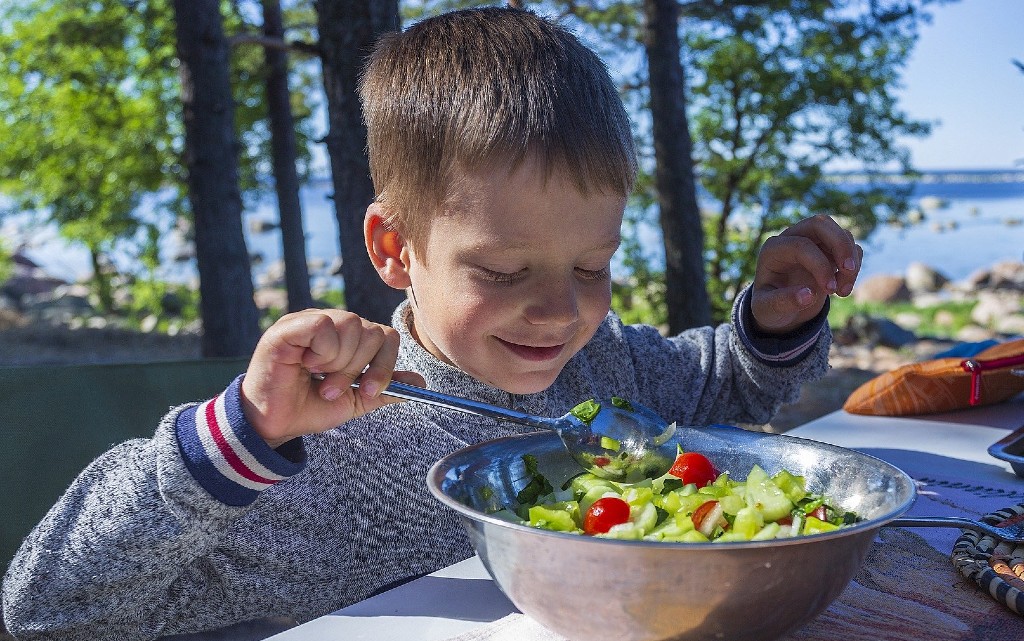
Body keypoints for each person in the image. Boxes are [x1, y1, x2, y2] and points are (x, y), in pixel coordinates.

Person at [2, 6, 861, 640]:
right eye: (501, 270)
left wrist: (772, 322)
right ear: (394, 248)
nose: (563, 311)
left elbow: (730, 387)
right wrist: (241, 437)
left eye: (592, 266)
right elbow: (48, 609)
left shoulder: (609, 374)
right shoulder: (328, 457)